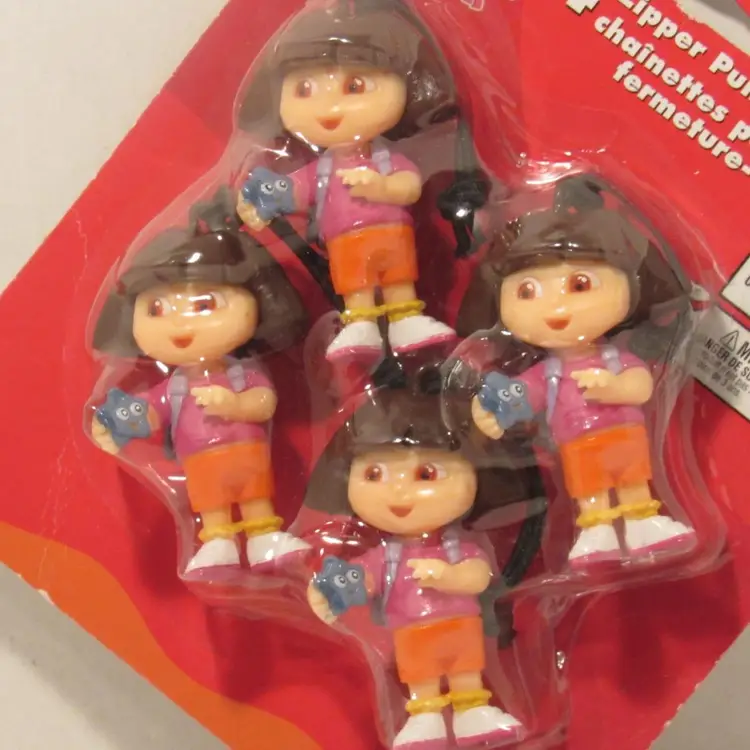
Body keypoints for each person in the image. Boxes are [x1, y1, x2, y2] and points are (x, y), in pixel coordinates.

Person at [304, 370, 540, 749]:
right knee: (420, 675)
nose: (400, 493)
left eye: (426, 474)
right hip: (411, 631)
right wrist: (330, 593)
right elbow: (363, 579)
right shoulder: (386, 556)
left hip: (460, 625)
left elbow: (479, 575)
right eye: (374, 473)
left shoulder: (457, 546)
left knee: (465, 669)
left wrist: (450, 577)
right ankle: (425, 715)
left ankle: (472, 710)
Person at [469, 176, 695, 567]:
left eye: (579, 284)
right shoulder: (545, 373)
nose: (557, 308)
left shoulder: (614, 358)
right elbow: (519, 396)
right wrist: (489, 411)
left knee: (632, 479)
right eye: (527, 292)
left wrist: (614, 387)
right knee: (590, 487)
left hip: (623, 433)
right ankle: (596, 531)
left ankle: (643, 522)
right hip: (576, 442)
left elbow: (641, 385)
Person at [235, 0, 468, 360]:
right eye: (304, 89)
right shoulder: (320, 170)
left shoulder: (387, 159)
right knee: (354, 282)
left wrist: (383, 188)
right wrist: (258, 202)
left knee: (399, 276)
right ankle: (361, 322)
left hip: (392, 233)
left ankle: (406, 317)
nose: (330, 108)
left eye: (355, 86)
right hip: (344, 240)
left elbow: (410, 186)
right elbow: (292, 192)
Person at [89, 193, 309, 572]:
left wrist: (235, 405)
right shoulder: (174, 387)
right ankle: (219, 541)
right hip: (201, 459)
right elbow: (150, 412)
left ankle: (263, 537)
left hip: (247, 451)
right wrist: (115, 425)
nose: (181, 324)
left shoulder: (241, 372)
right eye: (157, 308)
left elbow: (264, 402)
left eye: (204, 305)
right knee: (211, 501)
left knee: (255, 494)